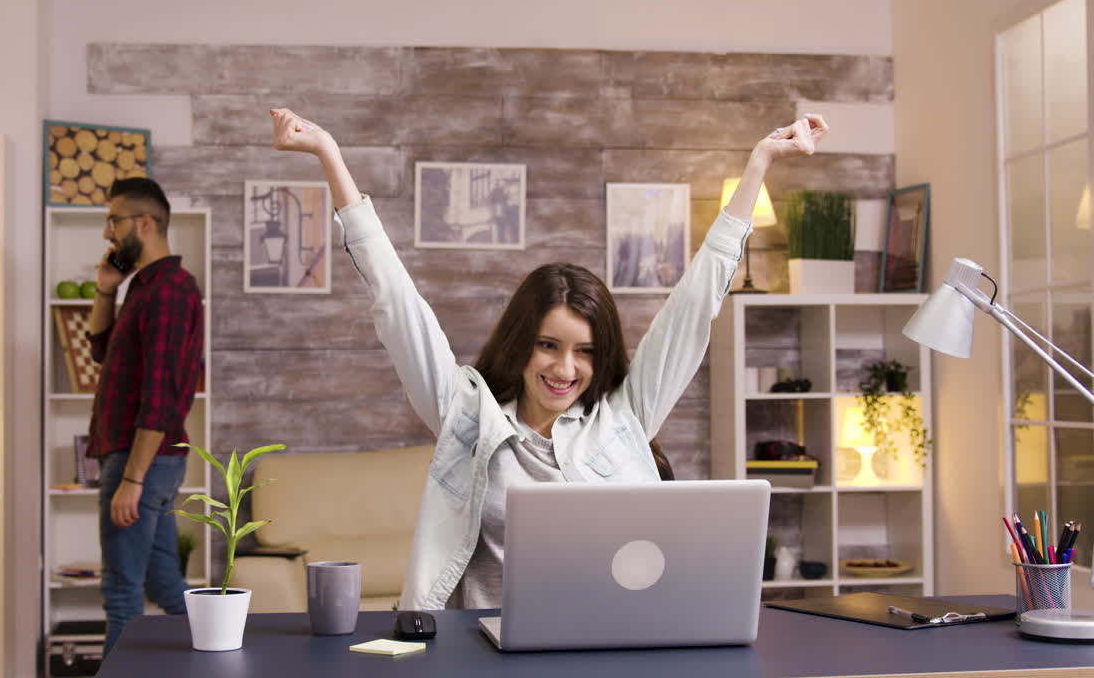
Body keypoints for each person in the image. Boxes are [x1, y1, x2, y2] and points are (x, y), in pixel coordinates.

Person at [269, 107, 827, 611]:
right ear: (520, 344)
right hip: (483, 650)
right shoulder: (468, 416)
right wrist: (329, 155)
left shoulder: (624, 418)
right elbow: (395, 300)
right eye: (548, 345)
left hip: (607, 643)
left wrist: (759, 163)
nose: (565, 370)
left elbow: (696, 302)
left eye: (585, 352)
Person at [86, 177, 205, 652]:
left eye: (114, 220)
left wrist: (132, 480)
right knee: (168, 592)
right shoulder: (144, 287)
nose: (107, 233)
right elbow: (99, 351)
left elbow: (160, 395)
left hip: (142, 461)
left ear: (145, 223)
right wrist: (104, 290)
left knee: (121, 593)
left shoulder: (170, 291)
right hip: (146, 460)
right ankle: (217, 661)